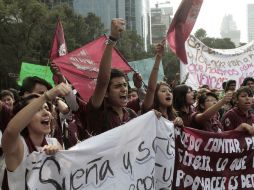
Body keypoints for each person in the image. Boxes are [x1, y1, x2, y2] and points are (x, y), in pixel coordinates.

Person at [1, 83, 71, 190]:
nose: (46, 113)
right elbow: (10, 131)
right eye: (38, 109)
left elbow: (67, 174)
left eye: (47, 108)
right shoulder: (17, 145)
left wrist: (58, 155)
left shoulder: (54, 143)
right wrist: (46, 96)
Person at [77, 18, 137, 140]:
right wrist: (112, 41)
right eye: (117, 86)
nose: (124, 89)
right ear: (106, 93)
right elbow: (103, 81)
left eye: (125, 85)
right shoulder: (98, 112)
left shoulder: (131, 114)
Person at [141, 41, 183, 125]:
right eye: (163, 91)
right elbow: (151, 89)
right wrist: (158, 59)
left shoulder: (174, 117)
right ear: (155, 95)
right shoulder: (150, 113)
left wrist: (180, 124)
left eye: (170, 91)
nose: (168, 93)